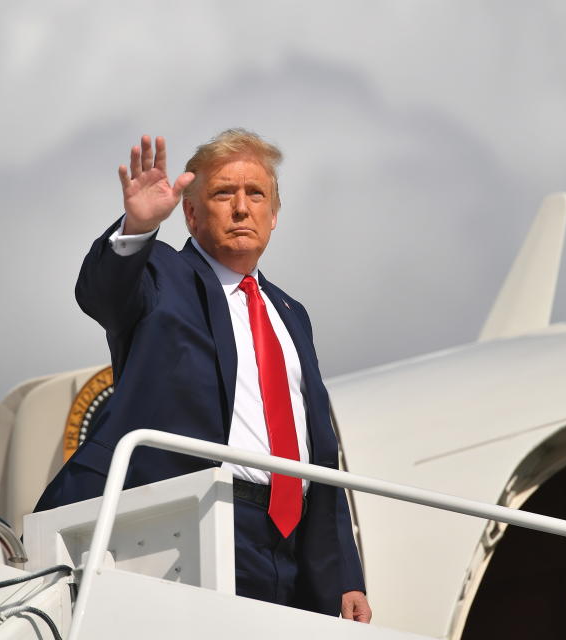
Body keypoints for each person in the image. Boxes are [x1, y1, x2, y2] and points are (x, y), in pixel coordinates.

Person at [35, 130, 371, 622]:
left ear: (274, 216)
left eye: (255, 194)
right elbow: (102, 294)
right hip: (194, 518)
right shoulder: (162, 276)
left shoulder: (291, 314)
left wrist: (343, 576)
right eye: (222, 194)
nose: (241, 208)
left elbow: (318, 451)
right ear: (191, 214)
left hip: (287, 543)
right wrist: (136, 227)